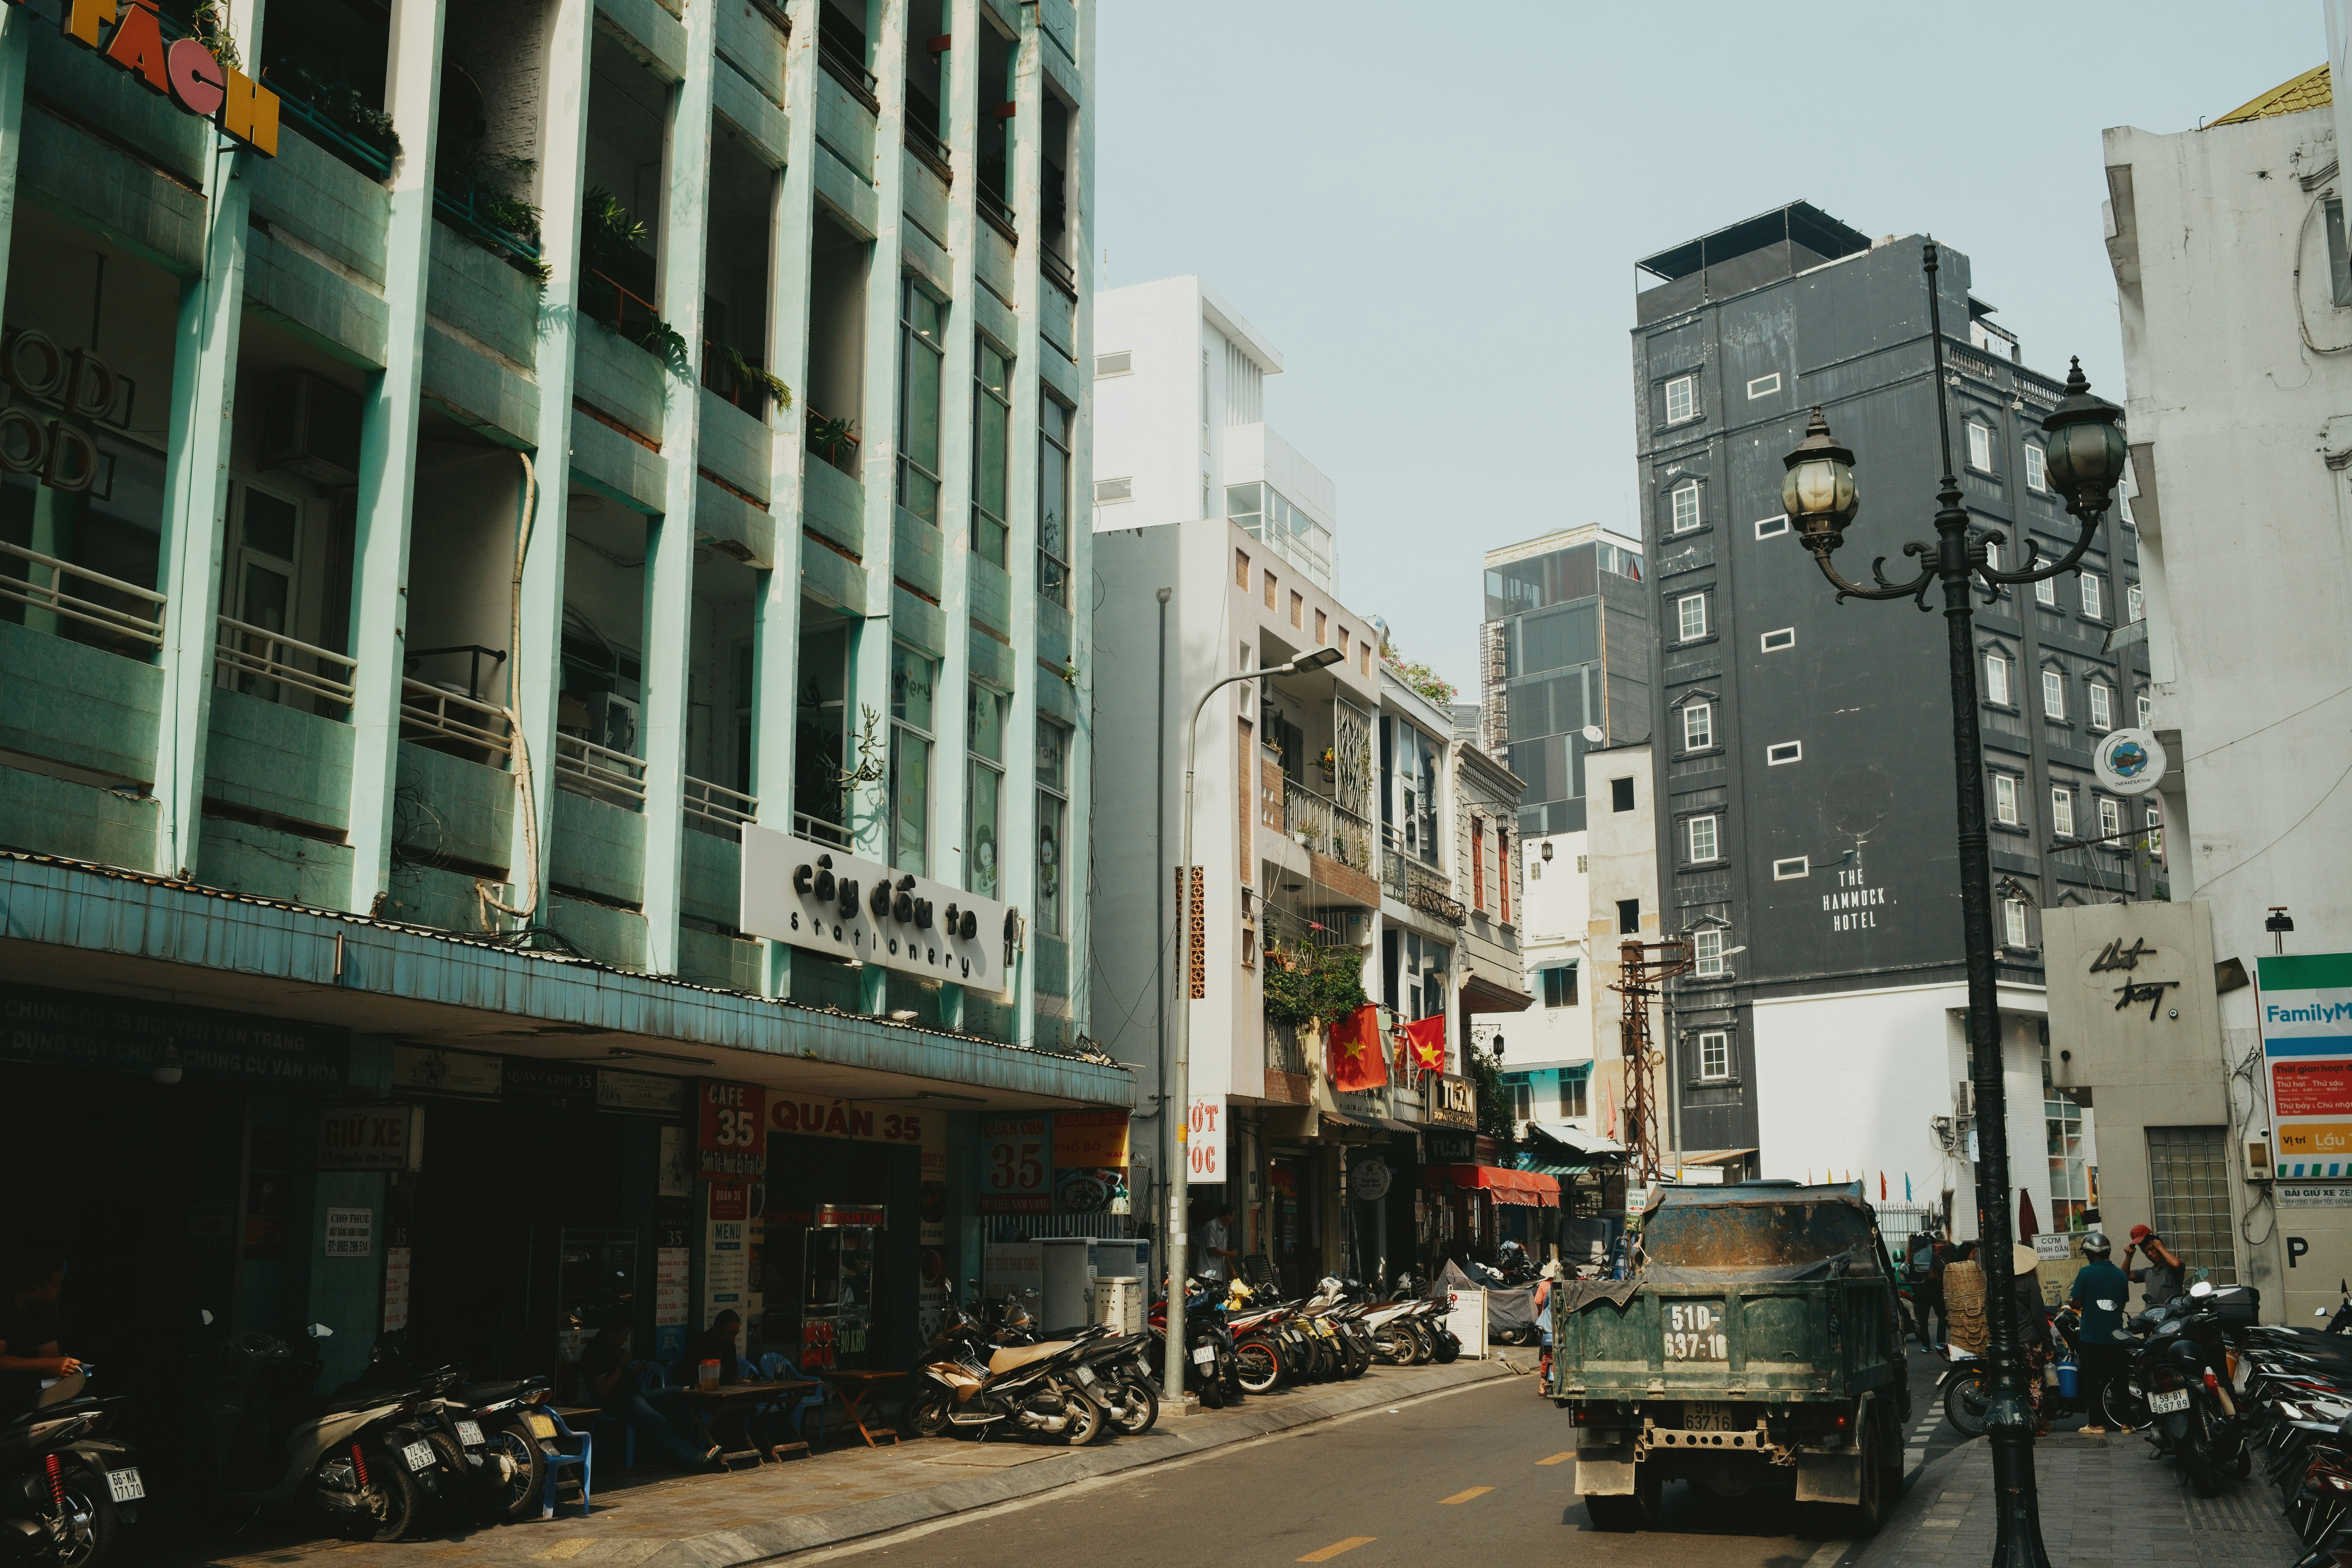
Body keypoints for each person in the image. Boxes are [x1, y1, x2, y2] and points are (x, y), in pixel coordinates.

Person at [577, 1306, 718, 1469]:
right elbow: (603, 1392)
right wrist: (623, 1365)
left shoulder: (614, 1347)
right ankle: (696, 1458)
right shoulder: (594, 1353)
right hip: (617, 1402)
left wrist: (631, 1371)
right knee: (655, 1419)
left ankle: (677, 1452)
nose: (625, 1340)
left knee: (679, 1394)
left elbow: (620, 1378)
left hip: (638, 1394)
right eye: (623, 1335)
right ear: (610, 1332)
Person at [2068, 1232, 2134, 1433]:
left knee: (2093, 1381)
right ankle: (2126, 1424)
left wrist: (2074, 1302)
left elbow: (2077, 1303)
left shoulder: (2086, 1273)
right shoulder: (2121, 1275)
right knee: (2120, 1381)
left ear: (2090, 1253)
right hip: (2116, 1336)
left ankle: (2096, 1424)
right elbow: (2122, 1303)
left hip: (2092, 1337)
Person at [0, 1247, 76, 1420]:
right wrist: (48, 1364)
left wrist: (66, 1367)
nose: (61, 1290)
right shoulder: (4, 1306)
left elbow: (51, 1359)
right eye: (56, 1284)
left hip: (30, 1382)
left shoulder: (44, 1309)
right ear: (34, 1290)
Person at [2010, 1244, 2051, 1436]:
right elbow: (2039, 1316)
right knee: (2035, 1383)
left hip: (2008, 1344)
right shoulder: (2030, 1283)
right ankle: (2034, 1425)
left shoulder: (1997, 1284)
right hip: (2031, 1343)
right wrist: (2049, 1343)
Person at [673, 1310, 744, 1387]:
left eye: (735, 1334)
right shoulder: (699, 1343)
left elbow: (734, 1375)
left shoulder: (730, 1346)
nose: (733, 1338)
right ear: (717, 1327)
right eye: (730, 1333)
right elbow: (685, 1378)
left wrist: (744, 1381)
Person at [2125, 1225, 2187, 1309]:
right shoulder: (2148, 1272)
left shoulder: (2173, 1268)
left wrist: (2161, 1248)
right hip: (2152, 1317)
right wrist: (2129, 1256)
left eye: (2152, 1249)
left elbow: (2176, 1264)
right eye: (2146, 1252)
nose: (2150, 1254)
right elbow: (2126, 1275)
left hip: (2172, 1318)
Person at [1195, 1204, 1237, 1282]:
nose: (1232, 1220)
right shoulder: (1211, 1227)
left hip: (1217, 1274)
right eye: (1232, 1217)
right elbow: (1211, 1250)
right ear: (1228, 1216)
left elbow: (1224, 1250)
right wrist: (1230, 1254)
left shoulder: (1225, 1228)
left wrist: (1232, 1269)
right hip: (1207, 1272)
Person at [1533, 1262, 1558, 1387]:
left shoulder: (1543, 1285)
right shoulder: (1563, 1284)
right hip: (1560, 1325)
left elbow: (1538, 1301)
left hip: (1546, 1325)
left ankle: (1542, 1385)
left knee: (1545, 1354)